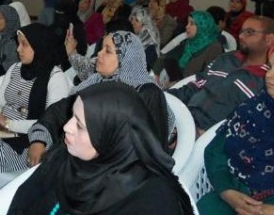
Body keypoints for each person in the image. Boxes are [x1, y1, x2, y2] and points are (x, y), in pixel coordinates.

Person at [10, 82, 194, 215]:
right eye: (72, 116)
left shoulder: (152, 201)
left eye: (79, 125)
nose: (66, 127)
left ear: (110, 138)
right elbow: (23, 202)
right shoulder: (64, 157)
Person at [29, 31, 173, 168]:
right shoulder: (99, 82)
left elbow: (149, 151)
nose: (99, 53)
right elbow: (60, 111)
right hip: (78, 161)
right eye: (101, 48)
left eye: (107, 51)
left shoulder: (148, 94)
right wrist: (39, 139)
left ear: (125, 59)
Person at [197, 43, 274, 215]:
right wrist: (228, 192)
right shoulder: (252, 109)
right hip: (237, 194)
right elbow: (215, 152)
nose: (269, 75)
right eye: (269, 67)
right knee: (205, 206)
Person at [169, 16, 274, 135]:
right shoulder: (227, 59)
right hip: (183, 119)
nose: (241, 36)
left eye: (249, 32)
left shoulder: (268, 80)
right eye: (241, 31)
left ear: (269, 39)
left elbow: (252, 125)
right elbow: (196, 86)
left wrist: (207, 135)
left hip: (210, 136)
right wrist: (163, 96)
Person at [0, 24, 70, 173]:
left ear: (39, 46)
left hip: (28, 143)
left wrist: (9, 124)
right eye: (19, 44)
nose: (18, 49)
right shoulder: (15, 69)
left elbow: (50, 124)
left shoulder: (56, 78)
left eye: (24, 44)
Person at [154, 10, 223, 83]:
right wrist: (156, 75)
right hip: (175, 83)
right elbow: (165, 58)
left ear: (202, 26)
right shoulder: (189, 43)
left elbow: (208, 79)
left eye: (192, 23)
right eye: (187, 23)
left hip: (190, 87)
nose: (187, 26)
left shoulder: (214, 48)